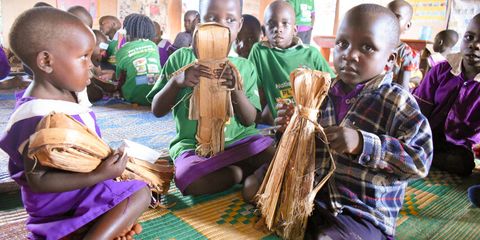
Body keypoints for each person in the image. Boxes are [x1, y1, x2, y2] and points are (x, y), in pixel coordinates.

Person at [275, 4, 433, 239]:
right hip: (315, 197)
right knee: (261, 196)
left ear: (389, 60)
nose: (349, 54)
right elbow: (303, 150)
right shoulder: (321, 92)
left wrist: (363, 143)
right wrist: (289, 130)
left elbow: (420, 160)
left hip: (363, 211)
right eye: (342, 43)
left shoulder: (397, 101)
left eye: (367, 47)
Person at [0, 7, 150, 239]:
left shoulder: (67, 92)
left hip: (80, 191)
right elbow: (38, 181)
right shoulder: (37, 115)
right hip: (59, 206)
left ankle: (93, 229)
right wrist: (99, 176)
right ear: (46, 61)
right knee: (139, 193)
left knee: (137, 189)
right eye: (83, 57)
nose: (91, 65)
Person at [147, 0, 275, 202]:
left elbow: (250, 120)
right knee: (187, 180)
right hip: (193, 146)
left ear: (239, 25)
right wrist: (176, 83)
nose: (221, 26)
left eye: (230, 20)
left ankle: (241, 171)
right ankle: (239, 173)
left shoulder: (244, 67)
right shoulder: (180, 59)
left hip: (240, 141)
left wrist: (236, 92)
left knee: (275, 155)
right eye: (211, 19)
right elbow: (157, 109)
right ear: (199, 22)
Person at [413, 14, 480, 177]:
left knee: (463, 164)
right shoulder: (440, 71)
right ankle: (419, 154)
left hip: (457, 147)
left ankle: (423, 158)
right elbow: (419, 110)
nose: (475, 45)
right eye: (469, 37)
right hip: (425, 136)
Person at [248, 0, 334, 125]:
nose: (278, 29)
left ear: (295, 29)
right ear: (264, 30)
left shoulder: (311, 54)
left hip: (312, 120)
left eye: (285, 24)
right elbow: (251, 88)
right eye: (271, 24)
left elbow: (333, 85)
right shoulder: (260, 52)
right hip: (282, 123)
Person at [115, 14, 160, 106]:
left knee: (122, 79)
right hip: (156, 95)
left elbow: (119, 77)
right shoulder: (153, 46)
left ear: (127, 32)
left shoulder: (122, 50)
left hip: (133, 96)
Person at [387, 0, 420, 89]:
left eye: (396, 17)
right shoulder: (372, 45)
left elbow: (402, 90)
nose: (389, 19)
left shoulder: (407, 53)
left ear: (407, 25)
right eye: (387, 14)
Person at [87, 30, 117, 102]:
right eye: (101, 50)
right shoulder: (83, 60)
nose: (103, 54)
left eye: (104, 51)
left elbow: (98, 75)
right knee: (97, 93)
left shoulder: (94, 60)